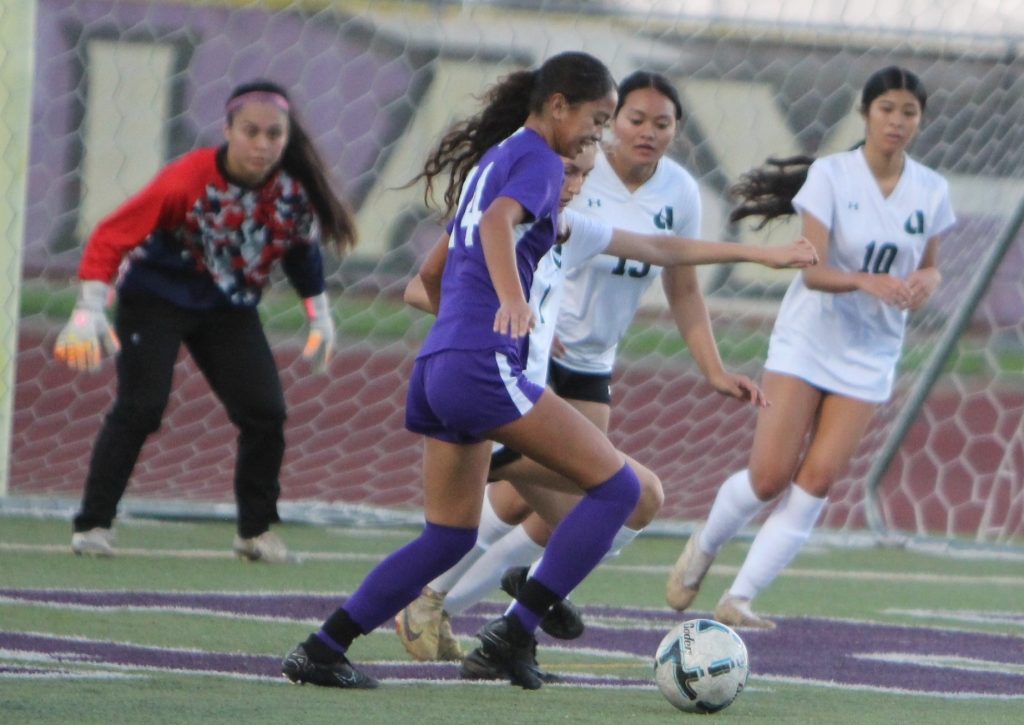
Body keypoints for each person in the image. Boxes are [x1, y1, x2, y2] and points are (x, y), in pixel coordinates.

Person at [279, 50, 647, 691]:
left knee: (448, 535)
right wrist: (509, 297)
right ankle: (515, 630)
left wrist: (469, 318)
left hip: (439, 365)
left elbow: (429, 273)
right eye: (598, 118)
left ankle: (323, 646)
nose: (600, 135)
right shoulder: (536, 157)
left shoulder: (493, 160)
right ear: (558, 105)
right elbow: (504, 225)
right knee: (619, 491)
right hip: (483, 368)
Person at [396, 71, 780, 661]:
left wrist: (714, 365)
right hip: (525, 363)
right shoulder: (553, 172)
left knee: (573, 511)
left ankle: (463, 602)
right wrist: (495, 321)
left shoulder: (672, 192)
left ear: (679, 130)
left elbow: (677, 276)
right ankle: (484, 599)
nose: (646, 133)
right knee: (607, 496)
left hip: (592, 364)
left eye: (663, 123)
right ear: (604, 120)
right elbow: (436, 276)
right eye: (630, 120)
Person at [665, 66, 956, 628]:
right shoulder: (831, 175)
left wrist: (927, 284)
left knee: (818, 479)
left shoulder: (932, 190)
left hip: (871, 353)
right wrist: (865, 281)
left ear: (920, 120)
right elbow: (814, 270)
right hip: (808, 341)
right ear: (867, 114)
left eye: (909, 112)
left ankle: (740, 599)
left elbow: (932, 270)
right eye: (887, 109)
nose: (897, 121)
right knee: (769, 475)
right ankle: (703, 547)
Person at [54, 80, 356, 563]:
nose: (262, 144)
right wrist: (89, 306)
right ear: (227, 130)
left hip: (228, 309)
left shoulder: (292, 194)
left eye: (273, 134)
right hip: (156, 299)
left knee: (265, 413)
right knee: (142, 407)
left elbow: (301, 254)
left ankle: (254, 532)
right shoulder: (188, 179)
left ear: (287, 137)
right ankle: (93, 524)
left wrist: (319, 315)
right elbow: (114, 234)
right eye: (250, 131)